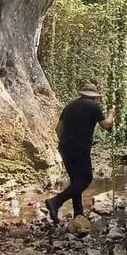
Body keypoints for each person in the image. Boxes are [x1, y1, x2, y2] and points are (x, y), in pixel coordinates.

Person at [44, 80, 116, 223]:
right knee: (85, 179)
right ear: (95, 97)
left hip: (65, 147)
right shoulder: (93, 106)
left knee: (76, 180)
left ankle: (78, 214)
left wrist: (67, 141)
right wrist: (111, 113)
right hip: (80, 147)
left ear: (82, 94)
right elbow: (106, 125)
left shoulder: (69, 106)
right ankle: (55, 202)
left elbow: (58, 129)